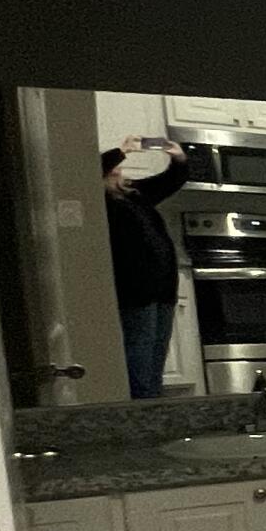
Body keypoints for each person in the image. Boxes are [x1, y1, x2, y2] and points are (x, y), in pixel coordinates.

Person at [101, 136, 188, 398]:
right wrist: (121, 150)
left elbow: (171, 181)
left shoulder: (135, 195)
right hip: (136, 290)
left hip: (162, 289)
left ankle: (152, 405)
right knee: (139, 354)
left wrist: (178, 158)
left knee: (157, 354)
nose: (119, 170)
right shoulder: (101, 202)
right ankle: (141, 407)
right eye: (114, 167)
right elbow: (91, 168)